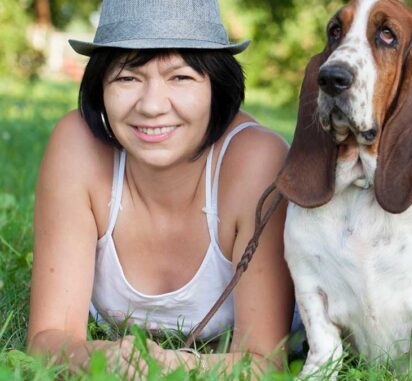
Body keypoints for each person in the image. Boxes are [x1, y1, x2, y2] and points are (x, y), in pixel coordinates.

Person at [27, 0, 294, 376]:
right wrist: (107, 359)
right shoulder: (78, 147)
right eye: (127, 77)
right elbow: (47, 338)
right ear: (99, 85)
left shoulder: (256, 162)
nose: (152, 106)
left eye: (181, 77)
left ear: (216, 86)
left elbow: (265, 361)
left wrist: (171, 365)